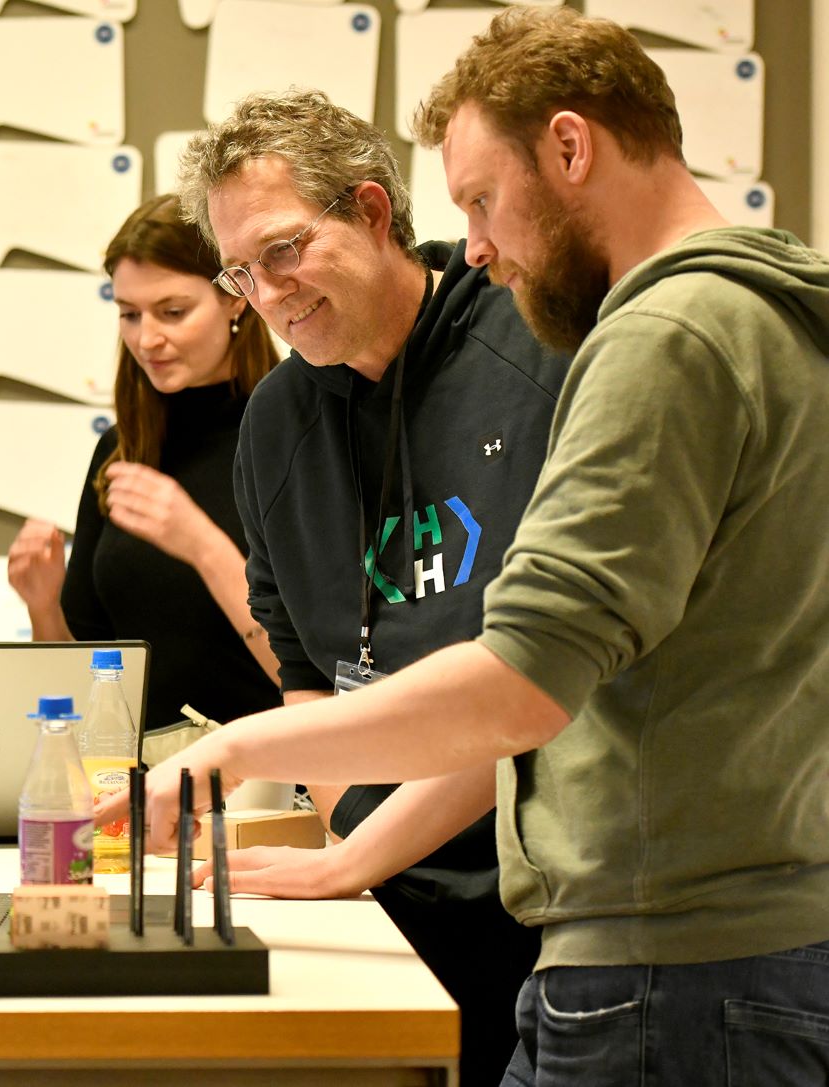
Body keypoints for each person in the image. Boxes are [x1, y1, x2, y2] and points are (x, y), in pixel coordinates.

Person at [117, 11, 829, 1085]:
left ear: (571, 148)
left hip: (662, 946)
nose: (481, 245)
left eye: (482, 200)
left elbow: (528, 680)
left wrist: (233, 753)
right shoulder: (752, 315)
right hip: (674, 935)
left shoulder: (648, 339)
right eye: (240, 275)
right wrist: (344, 851)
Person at [155, 89, 569, 1085]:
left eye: (286, 249)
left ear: (375, 212)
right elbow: (308, 669)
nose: (269, 291)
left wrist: (360, 856)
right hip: (382, 899)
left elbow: (548, 679)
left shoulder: (536, 350)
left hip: (542, 905)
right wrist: (361, 850)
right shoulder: (278, 425)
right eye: (242, 271)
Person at [7, 193, 282, 734]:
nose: (146, 338)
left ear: (235, 298)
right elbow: (85, 685)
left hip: (266, 790)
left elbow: (321, 676)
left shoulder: (290, 437)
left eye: (173, 312)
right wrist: (42, 606)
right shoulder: (120, 450)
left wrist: (201, 544)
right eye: (129, 314)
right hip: (134, 786)